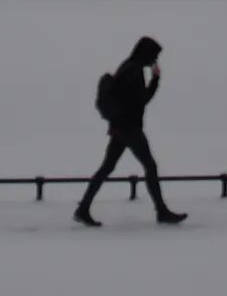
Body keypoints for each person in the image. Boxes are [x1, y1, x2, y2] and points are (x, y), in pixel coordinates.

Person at [75, 35, 186, 226]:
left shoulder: (127, 66)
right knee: (150, 166)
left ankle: (83, 208)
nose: (155, 60)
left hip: (120, 127)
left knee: (107, 168)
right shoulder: (134, 71)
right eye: (154, 56)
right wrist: (156, 80)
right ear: (146, 53)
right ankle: (161, 211)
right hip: (129, 128)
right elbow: (141, 100)